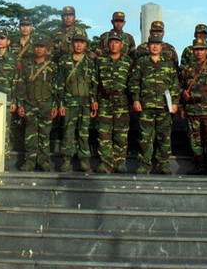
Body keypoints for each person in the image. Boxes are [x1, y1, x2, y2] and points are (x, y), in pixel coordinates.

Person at [130, 34, 180, 174]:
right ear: (148, 46)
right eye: (152, 43)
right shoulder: (141, 62)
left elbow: (175, 85)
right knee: (145, 137)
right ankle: (144, 164)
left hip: (164, 107)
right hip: (146, 106)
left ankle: (163, 164)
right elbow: (134, 82)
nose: (155, 46)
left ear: (162, 46)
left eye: (157, 44)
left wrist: (175, 103)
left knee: (164, 137)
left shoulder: (168, 64)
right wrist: (136, 99)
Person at [14, 37, 60, 171]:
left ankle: (43, 161)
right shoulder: (27, 66)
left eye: (42, 47)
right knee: (30, 135)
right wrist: (20, 104)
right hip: (30, 104)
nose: (39, 49)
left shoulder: (52, 66)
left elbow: (57, 86)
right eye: (37, 46)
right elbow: (21, 85)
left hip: (46, 104)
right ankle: (29, 161)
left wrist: (56, 105)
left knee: (45, 135)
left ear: (47, 49)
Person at [179, 37, 207, 174]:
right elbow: (179, 88)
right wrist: (182, 102)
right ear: (192, 51)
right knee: (195, 139)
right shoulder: (187, 69)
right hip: (192, 110)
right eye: (196, 50)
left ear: (206, 51)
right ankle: (199, 165)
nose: (199, 52)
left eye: (202, 50)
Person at [57, 31, 98, 172]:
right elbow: (60, 83)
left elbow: (93, 84)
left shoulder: (90, 62)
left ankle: (84, 160)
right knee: (68, 132)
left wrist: (94, 101)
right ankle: (66, 160)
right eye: (76, 41)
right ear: (72, 43)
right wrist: (61, 104)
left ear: (86, 44)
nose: (79, 45)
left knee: (84, 133)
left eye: (82, 42)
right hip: (69, 103)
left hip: (85, 103)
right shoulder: (63, 61)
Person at [95, 30, 133, 173]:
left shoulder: (128, 62)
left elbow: (132, 83)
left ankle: (119, 162)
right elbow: (96, 82)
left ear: (122, 44)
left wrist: (132, 101)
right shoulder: (101, 61)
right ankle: (106, 162)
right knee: (104, 134)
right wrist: (95, 100)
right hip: (105, 100)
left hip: (122, 100)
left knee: (121, 133)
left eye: (116, 42)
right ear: (107, 44)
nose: (114, 45)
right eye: (111, 42)